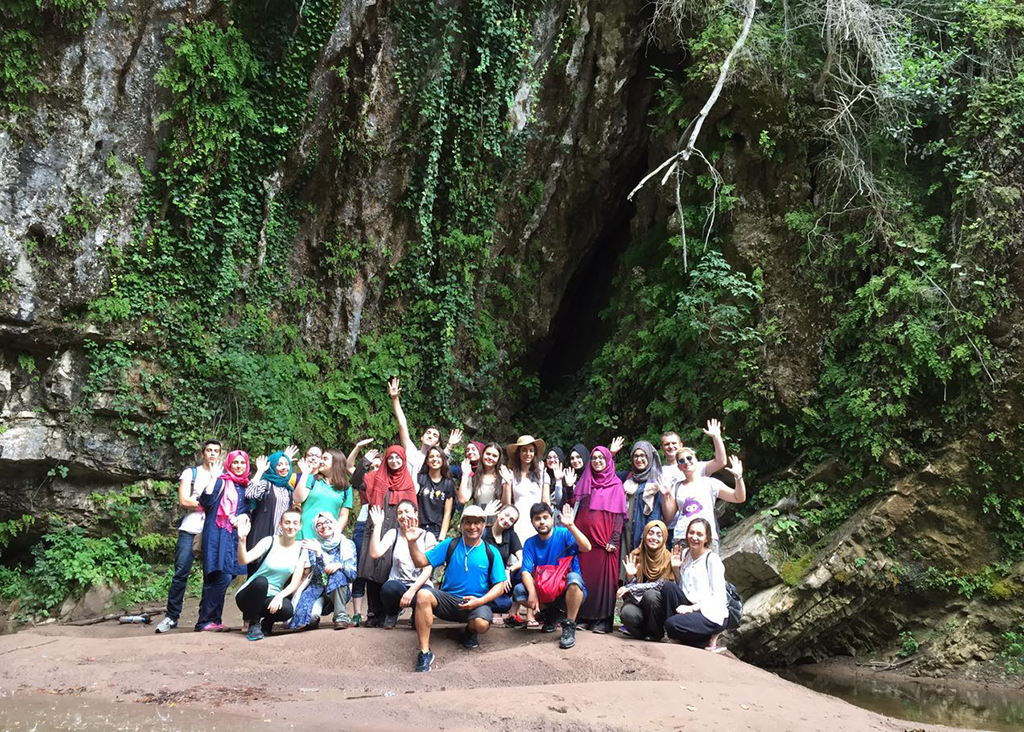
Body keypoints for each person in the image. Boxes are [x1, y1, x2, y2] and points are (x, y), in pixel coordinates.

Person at [404, 505, 507, 672]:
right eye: (468, 522)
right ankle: (424, 652)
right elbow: (420, 562)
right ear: (461, 525)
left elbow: (500, 586)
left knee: (481, 624)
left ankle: (470, 631)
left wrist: (479, 601)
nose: (472, 527)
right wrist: (412, 543)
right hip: (449, 600)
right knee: (423, 594)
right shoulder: (450, 544)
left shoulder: (491, 552)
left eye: (477, 523)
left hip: (477, 602)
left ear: (484, 525)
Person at [156, 439, 222, 634]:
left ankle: (205, 618)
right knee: (180, 573)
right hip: (190, 528)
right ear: (203, 453)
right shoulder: (191, 473)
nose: (212, 454)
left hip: (211, 530)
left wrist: (201, 501)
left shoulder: (222, 476)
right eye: (209, 450)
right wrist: (206, 503)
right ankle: (171, 616)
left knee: (210, 575)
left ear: (220, 455)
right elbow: (184, 500)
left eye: (216, 451)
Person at [565, 445, 626, 633]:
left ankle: (603, 620)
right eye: (594, 458)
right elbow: (572, 504)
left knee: (605, 580)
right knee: (585, 576)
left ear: (608, 461)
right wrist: (568, 487)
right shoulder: (586, 481)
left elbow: (619, 514)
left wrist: (614, 539)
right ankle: (583, 617)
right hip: (585, 538)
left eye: (601, 458)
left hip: (604, 540)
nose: (597, 461)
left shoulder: (616, 484)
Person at [515, 502, 592, 649]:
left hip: (567, 591)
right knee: (519, 591)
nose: (542, 521)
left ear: (552, 518)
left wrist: (571, 526)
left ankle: (569, 626)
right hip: (546, 590)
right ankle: (551, 615)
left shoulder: (564, 534)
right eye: (537, 518)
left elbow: (586, 547)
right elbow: (525, 570)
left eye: (545, 517)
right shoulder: (530, 543)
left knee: (574, 579)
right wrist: (532, 592)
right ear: (532, 522)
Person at [357, 445, 417, 626]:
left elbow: (413, 510)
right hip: (375, 527)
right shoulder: (376, 477)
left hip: (397, 531)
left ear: (403, 460)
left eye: (398, 458)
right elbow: (355, 481)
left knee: (389, 570)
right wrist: (364, 462)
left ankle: (388, 612)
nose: (394, 461)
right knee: (371, 571)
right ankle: (372, 613)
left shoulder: (407, 483)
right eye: (390, 458)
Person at [195, 449, 251, 632]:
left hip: (232, 537)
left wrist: (242, 517)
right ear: (229, 464)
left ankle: (212, 620)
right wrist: (212, 478)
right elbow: (206, 501)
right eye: (235, 462)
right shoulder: (221, 481)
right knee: (220, 575)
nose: (239, 466)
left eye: (242, 463)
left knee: (224, 575)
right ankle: (206, 621)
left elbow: (247, 510)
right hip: (217, 535)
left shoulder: (244, 486)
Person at [234, 508, 305, 640]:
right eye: (287, 522)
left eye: (295, 523)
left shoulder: (301, 550)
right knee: (262, 582)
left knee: (288, 610)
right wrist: (242, 539)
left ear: (300, 526)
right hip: (249, 596)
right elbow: (243, 560)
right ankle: (253, 625)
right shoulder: (269, 541)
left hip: (270, 599)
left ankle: (266, 623)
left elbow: (295, 583)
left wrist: (279, 596)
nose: (291, 526)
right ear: (281, 525)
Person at [663, 518, 728, 648]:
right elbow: (682, 587)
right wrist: (676, 569)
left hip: (709, 612)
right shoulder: (685, 554)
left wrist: (692, 608)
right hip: (689, 604)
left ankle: (706, 638)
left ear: (707, 538)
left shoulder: (712, 560)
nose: (694, 537)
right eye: (691, 532)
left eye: (699, 534)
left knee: (671, 624)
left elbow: (718, 596)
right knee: (668, 587)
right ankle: (680, 635)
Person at [370, 501, 437, 629]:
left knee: (425, 595)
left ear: (416, 514)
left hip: (420, 585)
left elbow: (427, 570)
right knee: (389, 589)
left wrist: (411, 591)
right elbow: (375, 553)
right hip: (398, 583)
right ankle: (392, 612)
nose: (403, 515)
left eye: (407, 511)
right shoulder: (393, 534)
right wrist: (377, 525)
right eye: (400, 513)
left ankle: (417, 615)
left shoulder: (427, 536)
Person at [663, 453, 746, 553]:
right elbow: (669, 516)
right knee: (682, 568)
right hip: (682, 535)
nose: (686, 462)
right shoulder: (676, 487)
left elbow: (738, 497)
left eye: (689, 458)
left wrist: (738, 477)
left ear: (696, 461)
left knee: (710, 567)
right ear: (679, 467)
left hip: (707, 536)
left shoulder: (710, 483)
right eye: (681, 461)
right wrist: (666, 495)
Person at [289, 511, 358, 631]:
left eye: (327, 522)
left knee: (337, 573)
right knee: (308, 618)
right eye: (319, 524)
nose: (324, 526)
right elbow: (321, 577)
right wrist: (318, 554)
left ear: (334, 523)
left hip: (339, 591)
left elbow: (352, 575)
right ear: (315, 529)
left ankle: (340, 617)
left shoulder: (347, 544)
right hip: (317, 589)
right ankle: (314, 620)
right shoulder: (312, 546)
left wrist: (340, 565)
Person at [387, 377, 462, 479]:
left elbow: (443, 458)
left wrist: (449, 445)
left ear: (438, 443)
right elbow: (402, 424)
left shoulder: (436, 461)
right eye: (428, 433)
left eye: (434, 435)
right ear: (422, 437)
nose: (430, 436)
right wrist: (395, 399)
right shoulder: (411, 451)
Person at [617, 519, 675, 640]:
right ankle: (642, 635)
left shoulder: (668, 558)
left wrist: (630, 587)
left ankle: (655, 634)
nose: (654, 537)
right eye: (651, 533)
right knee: (627, 613)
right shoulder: (636, 555)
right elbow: (628, 595)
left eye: (659, 535)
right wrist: (630, 577)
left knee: (651, 596)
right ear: (644, 535)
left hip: (657, 607)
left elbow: (659, 586)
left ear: (664, 538)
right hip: (638, 604)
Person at [243, 449, 297, 575]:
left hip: (280, 538)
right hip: (262, 535)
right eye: (279, 465)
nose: (284, 468)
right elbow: (249, 493)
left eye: (286, 464)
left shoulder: (288, 489)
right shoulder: (266, 483)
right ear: (272, 467)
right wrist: (260, 471)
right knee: (256, 574)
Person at [294, 449, 352, 540]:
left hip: (326, 540)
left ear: (336, 462)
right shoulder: (312, 479)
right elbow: (297, 498)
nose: (320, 461)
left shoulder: (346, 488)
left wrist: (334, 535)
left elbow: (343, 516)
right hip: (303, 537)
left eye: (325, 459)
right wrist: (305, 473)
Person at [622, 441, 666, 558]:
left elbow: (655, 514)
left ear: (650, 457)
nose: (639, 459)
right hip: (625, 534)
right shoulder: (629, 479)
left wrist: (647, 536)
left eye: (643, 455)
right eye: (636, 456)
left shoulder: (656, 481)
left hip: (643, 534)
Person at [504, 435, 549, 542]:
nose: (528, 454)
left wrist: (545, 521)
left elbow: (546, 502)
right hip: (517, 519)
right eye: (524, 450)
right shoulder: (511, 474)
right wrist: (507, 483)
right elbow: (506, 504)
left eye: (531, 450)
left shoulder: (542, 474)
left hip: (537, 518)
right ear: (518, 453)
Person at [483, 504, 523, 623]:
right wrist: (484, 517)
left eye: (511, 520)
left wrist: (508, 570)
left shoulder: (511, 535)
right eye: (506, 515)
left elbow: (523, 560)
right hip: (483, 581)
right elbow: (465, 538)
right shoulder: (484, 532)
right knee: (502, 604)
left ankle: (513, 612)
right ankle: (486, 607)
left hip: (501, 581)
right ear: (498, 514)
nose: (507, 520)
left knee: (523, 572)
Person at [660, 420, 727, 486]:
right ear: (661, 448)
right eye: (667, 444)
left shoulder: (693, 465)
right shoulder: (659, 472)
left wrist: (717, 437)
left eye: (674, 443)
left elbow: (721, 462)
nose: (671, 446)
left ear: (680, 445)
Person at [415, 446, 455, 540]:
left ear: (443, 460)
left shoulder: (448, 484)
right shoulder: (420, 479)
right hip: (418, 527)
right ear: (427, 461)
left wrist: (441, 537)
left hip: (437, 530)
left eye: (438, 456)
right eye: (431, 456)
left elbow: (447, 513)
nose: (435, 459)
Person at [457, 442, 511, 508]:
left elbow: (506, 506)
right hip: (477, 516)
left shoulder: (502, 477)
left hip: (496, 517)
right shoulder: (474, 476)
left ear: (498, 459)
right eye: (488, 454)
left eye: (494, 456)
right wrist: (465, 475)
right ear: (482, 454)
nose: (490, 457)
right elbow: (463, 499)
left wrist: (507, 484)